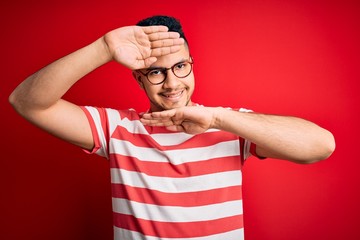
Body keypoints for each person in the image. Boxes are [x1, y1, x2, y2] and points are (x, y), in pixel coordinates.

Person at [9, 15, 335, 240]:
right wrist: (104, 49)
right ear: (139, 79)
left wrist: (219, 118)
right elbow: (26, 102)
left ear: (192, 66)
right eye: (155, 72)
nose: (171, 83)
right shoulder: (116, 129)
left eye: (180, 66)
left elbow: (321, 145)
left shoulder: (230, 125)